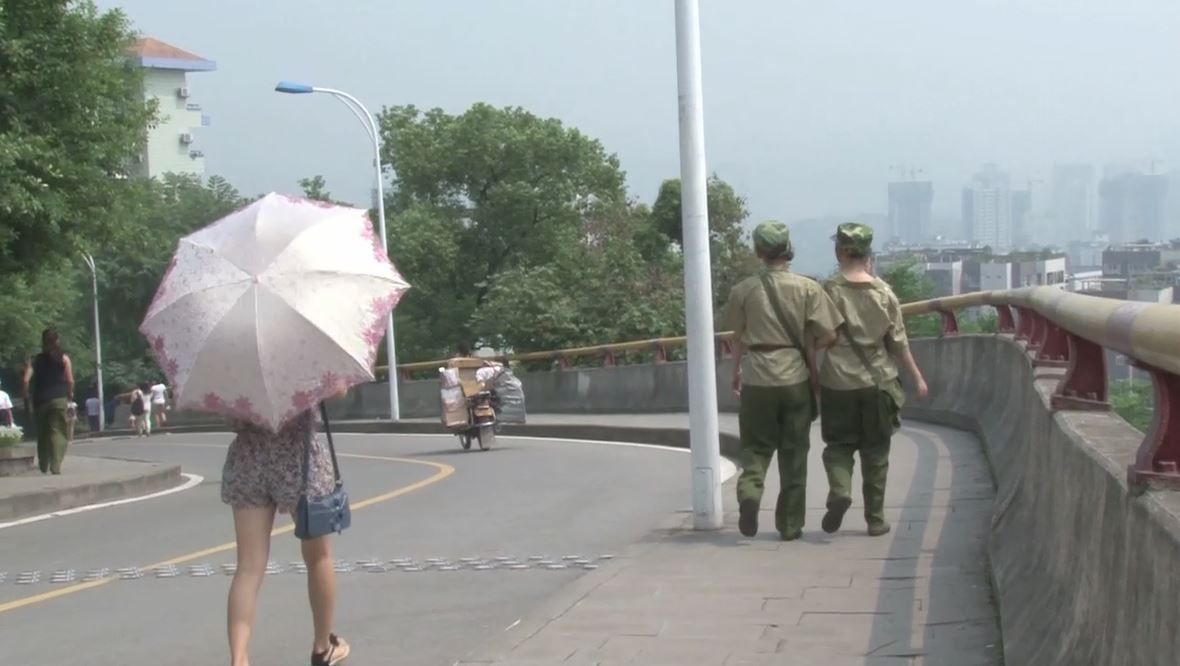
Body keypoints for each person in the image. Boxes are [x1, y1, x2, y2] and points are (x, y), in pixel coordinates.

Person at [724, 221, 842, 541]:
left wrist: (735, 373)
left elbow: (737, 339)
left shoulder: (743, 291)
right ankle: (790, 525)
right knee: (794, 453)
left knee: (755, 447)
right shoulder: (808, 288)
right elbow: (831, 334)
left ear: (759, 251)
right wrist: (806, 349)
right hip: (794, 379)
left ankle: (749, 494)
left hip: (757, 376)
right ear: (787, 248)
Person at [818, 223, 929, 538]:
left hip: (837, 383)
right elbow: (899, 343)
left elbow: (821, 336)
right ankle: (875, 520)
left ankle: (840, 489)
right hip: (878, 384)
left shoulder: (827, 291)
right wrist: (918, 379)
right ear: (868, 254)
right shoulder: (885, 294)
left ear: (840, 251)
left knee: (838, 446)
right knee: (876, 452)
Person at [221, 406, 350, 666]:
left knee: (248, 567)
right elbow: (339, 393)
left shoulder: (232, 366)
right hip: (300, 456)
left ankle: (239, 659)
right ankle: (323, 647)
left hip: (249, 455)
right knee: (318, 558)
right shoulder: (304, 363)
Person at [21, 329, 75, 474]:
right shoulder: (64, 358)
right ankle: (55, 465)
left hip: (40, 401)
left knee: (43, 433)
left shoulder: (35, 360)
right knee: (57, 431)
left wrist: (25, 394)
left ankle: (43, 464)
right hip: (59, 399)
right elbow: (70, 380)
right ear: (57, 341)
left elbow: (26, 380)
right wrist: (69, 394)